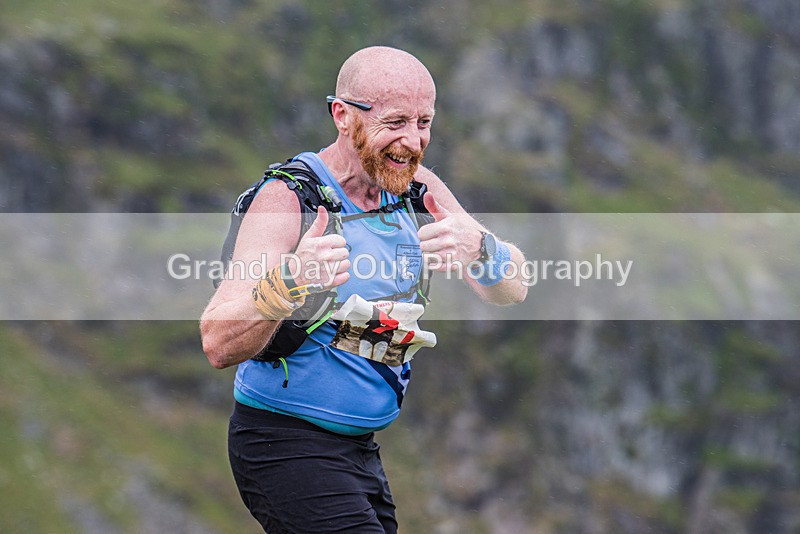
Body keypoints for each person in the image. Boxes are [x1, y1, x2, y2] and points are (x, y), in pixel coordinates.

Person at [200, 46, 528, 533]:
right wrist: (290, 282)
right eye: (395, 122)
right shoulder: (287, 199)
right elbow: (217, 341)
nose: (413, 141)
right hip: (283, 446)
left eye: (424, 122)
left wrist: (482, 247)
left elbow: (512, 288)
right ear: (342, 115)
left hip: (359, 452)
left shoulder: (416, 189)